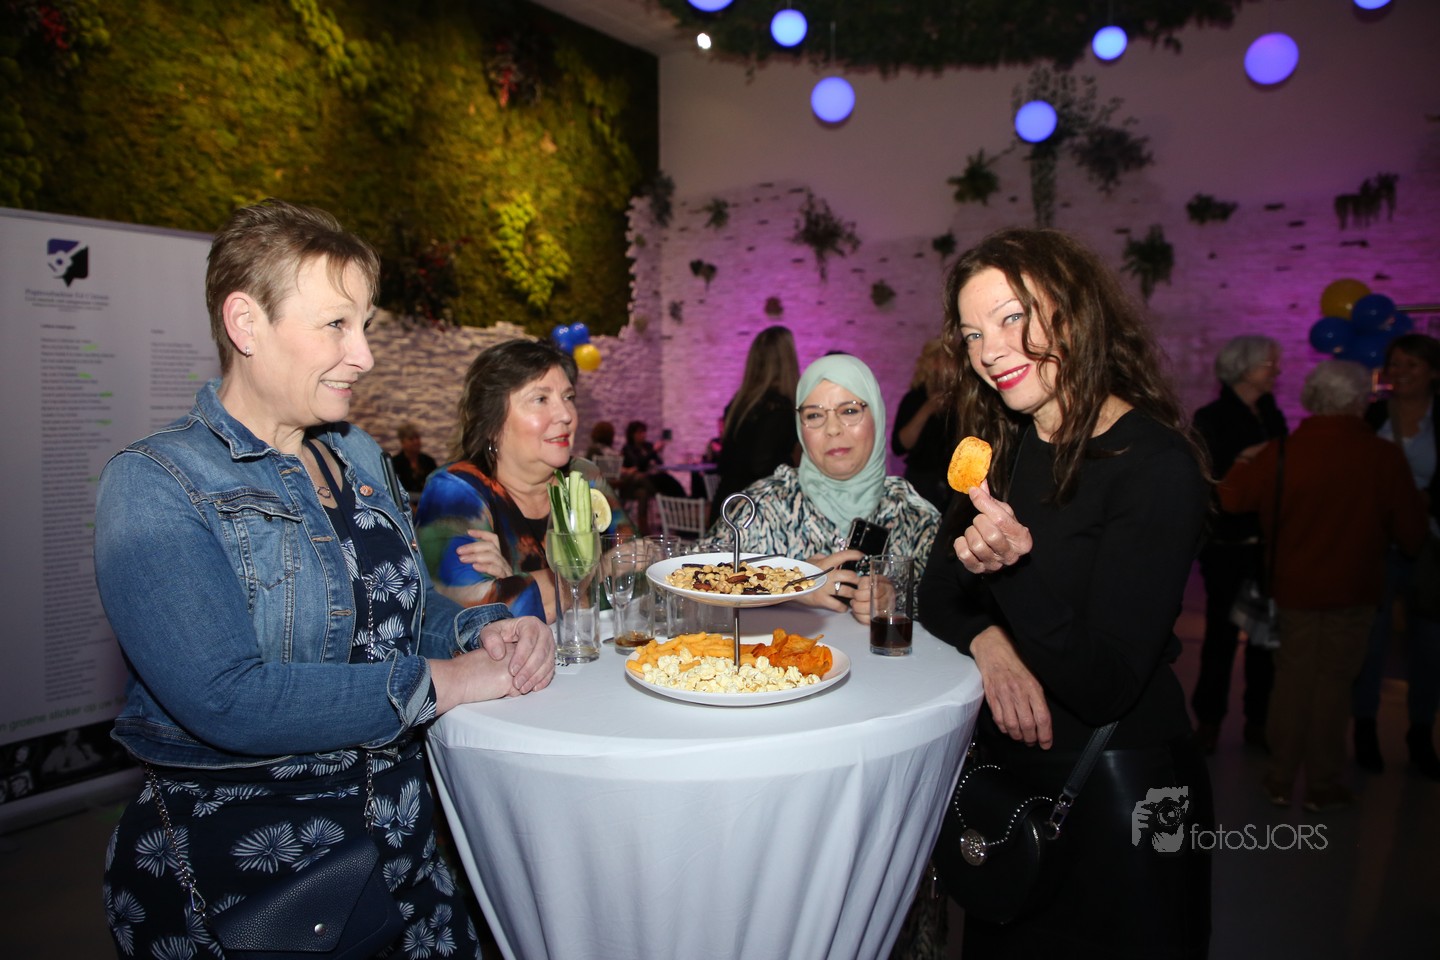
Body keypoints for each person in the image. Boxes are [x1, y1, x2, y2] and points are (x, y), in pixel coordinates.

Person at [93, 199, 555, 960]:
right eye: (336, 325)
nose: (363, 354)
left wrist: (485, 630)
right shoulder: (155, 484)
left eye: (363, 324)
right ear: (246, 324)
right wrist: (447, 680)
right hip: (261, 888)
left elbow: (403, 614)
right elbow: (226, 698)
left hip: (409, 861)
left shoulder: (358, 455)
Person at [918, 227, 1213, 959]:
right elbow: (937, 594)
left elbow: (1107, 684)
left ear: (1074, 311)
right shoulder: (1002, 449)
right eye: (973, 334)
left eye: (1011, 318)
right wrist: (992, 646)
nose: (990, 351)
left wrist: (1013, 575)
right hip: (1008, 784)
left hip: (1120, 792)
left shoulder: (1154, 466)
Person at [1221, 360, 1426, 811]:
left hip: (1293, 585)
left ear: (1312, 397)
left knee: (1292, 679)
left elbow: (1231, 499)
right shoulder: (1382, 457)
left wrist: (1244, 459)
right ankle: (1322, 783)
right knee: (1334, 683)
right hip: (1354, 589)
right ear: (1358, 401)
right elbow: (1412, 534)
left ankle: (1279, 778)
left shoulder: (1283, 452)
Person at [699, 353, 938, 623]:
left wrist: (897, 599)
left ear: (877, 415)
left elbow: (953, 605)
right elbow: (688, 579)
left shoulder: (913, 515)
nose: (832, 429)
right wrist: (788, 582)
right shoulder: (763, 507)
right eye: (814, 415)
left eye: (849, 411)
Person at [415, 338, 635, 622]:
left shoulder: (583, 477)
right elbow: (477, 617)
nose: (566, 415)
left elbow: (639, 581)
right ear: (492, 422)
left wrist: (516, 582)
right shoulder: (455, 491)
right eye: (540, 399)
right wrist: (599, 570)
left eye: (568, 397)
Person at [1189, 335, 1289, 755]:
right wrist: (1248, 461)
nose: (1276, 369)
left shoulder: (1271, 413)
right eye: (1269, 363)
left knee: (1265, 637)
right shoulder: (1211, 417)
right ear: (1245, 367)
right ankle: (1209, 721)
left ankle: (1258, 721)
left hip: (1265, 544)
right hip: (1227, 544)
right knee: (1221, 636)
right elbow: (1205, 482)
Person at [1352, 333, 1440, 779]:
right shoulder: (1373, 415)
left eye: (1412, 365)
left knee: (1430, 645)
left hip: (1430, 548)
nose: (1400, 373)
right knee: (1372, 640)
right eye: (1396, 364)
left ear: (1434, 372)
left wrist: (1424, 502)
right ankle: (1364, 729)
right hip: (1378, 546)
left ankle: (1421, 733)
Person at [710, 324, 801, 524]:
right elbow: (761, 466)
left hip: (728, 504)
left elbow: (726, 462)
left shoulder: (740, 404)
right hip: (754, 513)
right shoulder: (779, 408)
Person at [891, 337, 956, 511]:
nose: (954, 365)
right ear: (932, 363)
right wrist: (928, 409)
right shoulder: (915, 398)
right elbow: (900, 446)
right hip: (922, 483)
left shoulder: (964, 400)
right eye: (948, 359)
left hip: (954, 484)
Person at [391, 420, 437, 507]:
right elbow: (395, 491)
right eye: (411, 439)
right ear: (402, 442)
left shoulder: (429, 461)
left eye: (417, 438)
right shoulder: (395, 463)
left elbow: (436, 486)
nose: (416, 442)